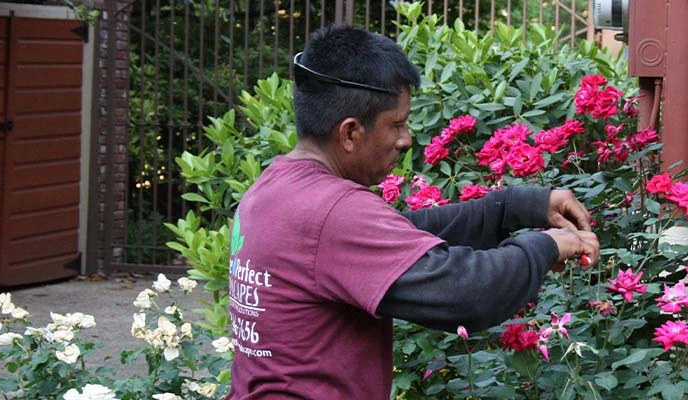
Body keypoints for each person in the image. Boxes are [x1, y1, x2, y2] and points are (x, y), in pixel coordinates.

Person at [225, 24, 600, 399]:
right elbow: (465, 293)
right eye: (397, 124)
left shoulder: (275, 189)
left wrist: (515, 207)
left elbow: (402, 234)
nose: (406, 139)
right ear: (350, 133)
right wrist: (547, 246)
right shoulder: (333, 211)